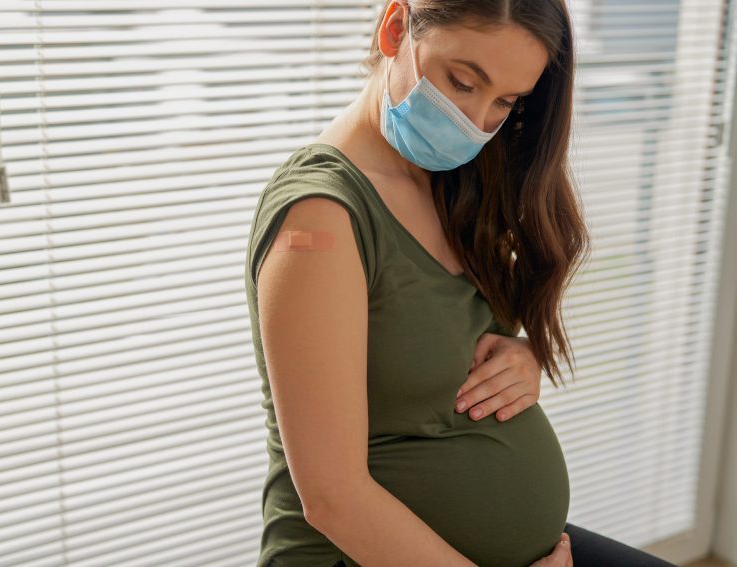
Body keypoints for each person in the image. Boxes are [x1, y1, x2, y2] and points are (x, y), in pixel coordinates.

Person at [244, 1, 678, 565]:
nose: (475, 121)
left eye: (505, 101)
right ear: (396, 28)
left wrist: (520, 359)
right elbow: (333, 500)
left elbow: (435, 338)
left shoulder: (450, 179)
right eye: (463, 82)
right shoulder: (320, 217)